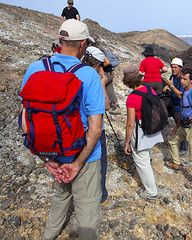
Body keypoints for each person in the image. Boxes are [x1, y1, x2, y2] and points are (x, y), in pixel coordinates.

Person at [20, 19, 104, 239]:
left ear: (60, 40)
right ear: (83, 44)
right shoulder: (89, 75)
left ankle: (49, 234)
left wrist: (48, 159)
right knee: (87, 208)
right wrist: (76, 164)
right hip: (83, 155)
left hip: (52, 152)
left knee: (61, 195)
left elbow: (25, 120)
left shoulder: (36, 68)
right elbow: (95, 129)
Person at [123, 65, 166, 199]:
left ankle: (151, 192)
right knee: (145, 156)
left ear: (127, 81)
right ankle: (152, 185)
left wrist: (127, 142)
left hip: (141, 131)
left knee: (141, 161)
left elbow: (130, 123)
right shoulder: (149, 88)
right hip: (152, 129)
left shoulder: (132, 98)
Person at [82, 46, 111, 204]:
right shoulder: (94, 78)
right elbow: (106, 105)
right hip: (95, 127)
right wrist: (102, 83)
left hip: (77, 127)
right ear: (97, 64)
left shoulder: (76, 72)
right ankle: (101, 196)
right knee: (100, 163)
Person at [162, 57, 187, 153]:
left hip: (180, 106)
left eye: (175, 67)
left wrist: (170, 87)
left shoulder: (183, 79)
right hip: (172, 102)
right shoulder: (173, 77)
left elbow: (181, 96)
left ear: (180, 68)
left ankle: (184, 146)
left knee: (180, 124)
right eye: (172, 67)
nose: (173, 69)